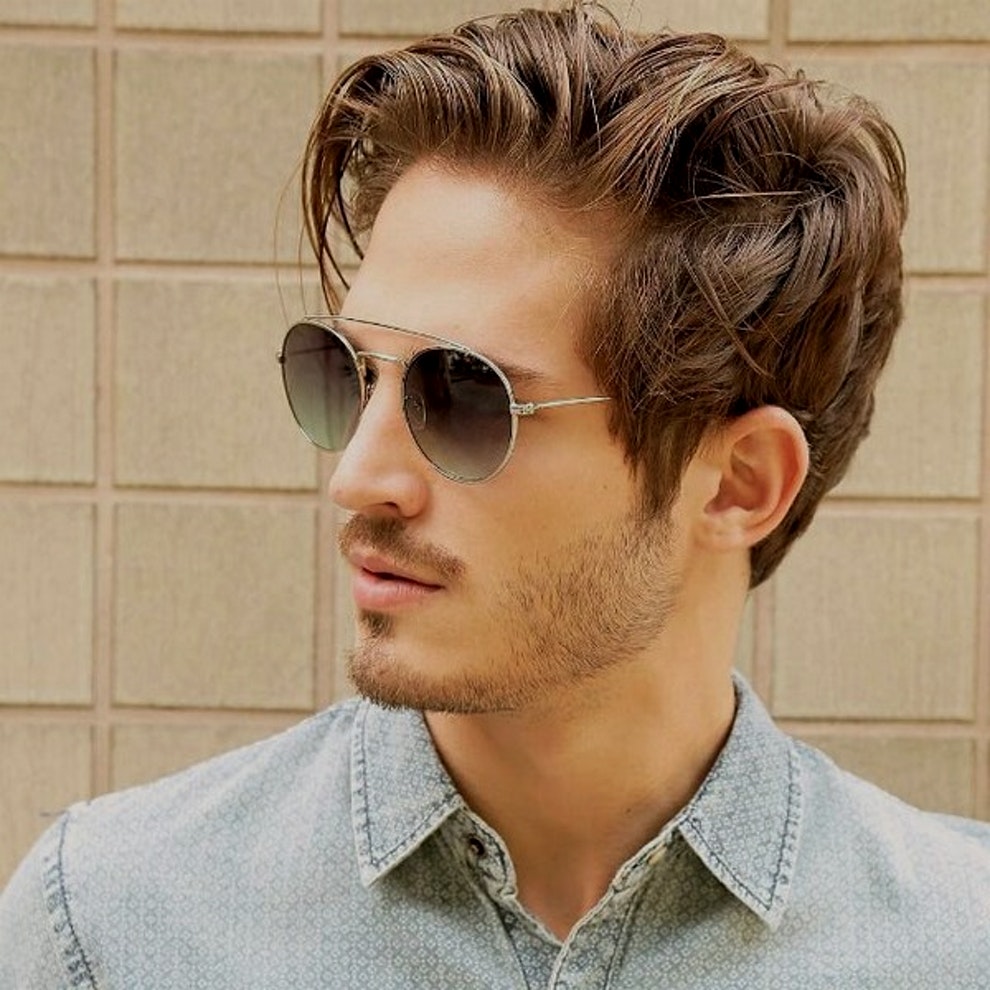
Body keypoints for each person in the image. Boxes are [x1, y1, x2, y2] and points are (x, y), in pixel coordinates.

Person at [2, 3, 988, 987]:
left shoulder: (956, 946)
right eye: (348, 374)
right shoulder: (112, 927)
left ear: (739, 484)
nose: (357, 478)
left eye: (464, 396)